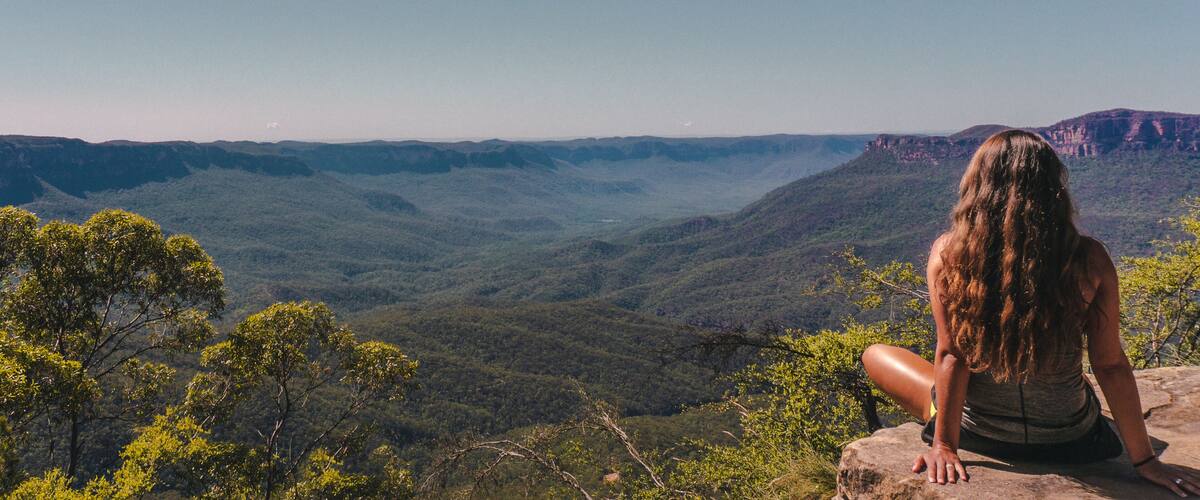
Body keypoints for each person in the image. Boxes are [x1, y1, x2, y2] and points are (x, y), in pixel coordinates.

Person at [861, 130, 1200, 497]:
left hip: (980, 434)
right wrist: (1145, 461)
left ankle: (947, 422)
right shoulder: (1088, 259)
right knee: (1081, 384)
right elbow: (1110, 365)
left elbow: (952, 355)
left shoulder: (949, 255)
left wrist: (943, 446)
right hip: (1070, 438)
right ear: (1053, 186)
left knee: (875, 354)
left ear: (977, 185)